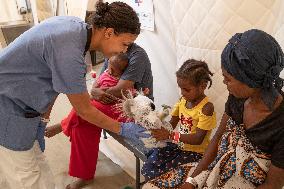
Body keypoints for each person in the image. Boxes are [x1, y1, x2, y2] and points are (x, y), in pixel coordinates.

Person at [0, 1, 149, 189]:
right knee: (24, 175)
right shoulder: (69, 51)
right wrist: (122, 129)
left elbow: (55, 84)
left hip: (25, 105)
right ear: (109, 33)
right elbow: (85, 109)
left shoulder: (76, 29)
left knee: (35, 168)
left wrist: (44, 119)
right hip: (8, 108)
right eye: (125, 43)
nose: (125, 50)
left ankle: (58, 129)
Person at [180, 29, 284, 189]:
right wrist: (192, 181)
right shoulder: (238, 97)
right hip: (219, 168)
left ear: (250, 80)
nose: (224, 83)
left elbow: (273, 185)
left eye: (227, 79)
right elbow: (218, 138)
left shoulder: (280, 123)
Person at [45, 53, 135, 189]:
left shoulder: (136, 57)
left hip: (121, 109)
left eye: (114, 71)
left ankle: (63, 125)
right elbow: (94, 88)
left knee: (86, 109)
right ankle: (85, 176)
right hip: (103, 102)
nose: (109, 71)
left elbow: (125, 92)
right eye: (109, 68)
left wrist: (101, 93)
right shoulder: (110, 59)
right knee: (81, 127)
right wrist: (96, 91)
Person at [141, 59, 216, 183]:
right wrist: (158, 127)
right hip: (179, 146)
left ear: (202, 86)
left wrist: (170, 135)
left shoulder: (206, 108)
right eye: (180, 88)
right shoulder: (183, 100)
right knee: (151, 164)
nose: (182, 92)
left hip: (195, 154)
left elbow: (198, 139)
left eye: (186, 89)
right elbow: (172, 124)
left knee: (167, 175)